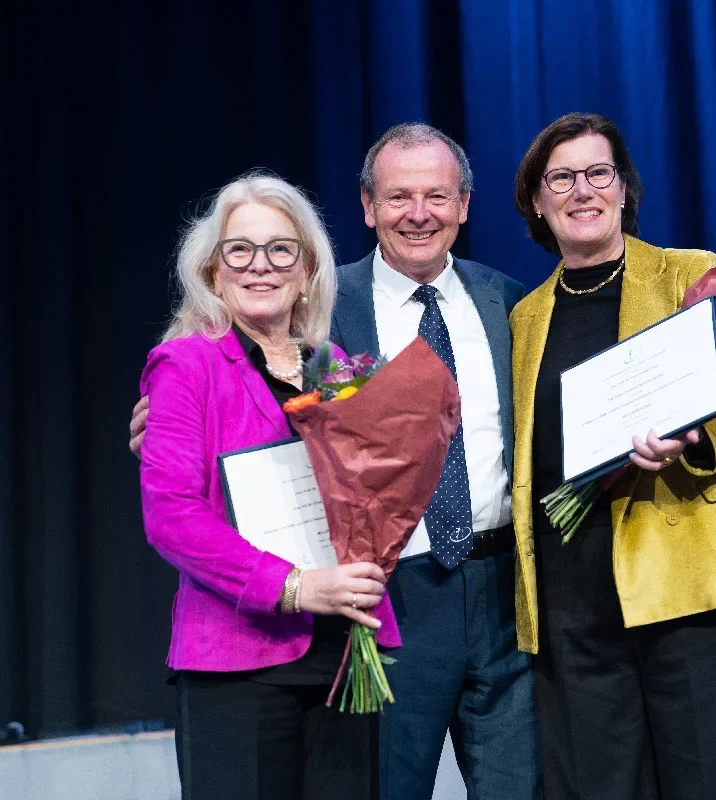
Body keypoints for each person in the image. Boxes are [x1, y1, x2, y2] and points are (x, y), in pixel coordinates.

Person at [509, 112, 716, 800]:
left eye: (598, 173)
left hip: (690, 589)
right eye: (561, 179)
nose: (582, 191)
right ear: (538, 202)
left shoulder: (691, 273)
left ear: (625, 188)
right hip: (576, 610)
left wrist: (688, 445)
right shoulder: (524, 317)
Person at [138, 172, 400, 800]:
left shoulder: (335, 366)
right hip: (240, 663)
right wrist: (292, 586)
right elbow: (172, 515)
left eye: (281, 249)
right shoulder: (187, 364)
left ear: (307, 269)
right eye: (240, 250)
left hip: (344, 655)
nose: (261, 265)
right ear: (213, 270)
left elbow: (377, 496)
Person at [329, 123, 539, 799]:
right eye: (398, 197)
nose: (419, 214)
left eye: (437, 196)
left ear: (465, 205)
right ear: (367, 206)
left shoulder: (511, 303)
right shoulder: (321, 310)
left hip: (508, 596)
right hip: (391, 602)